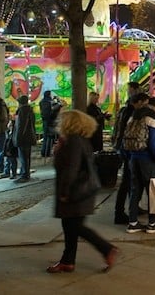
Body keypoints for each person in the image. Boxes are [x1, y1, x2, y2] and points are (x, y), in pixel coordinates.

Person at [47, 109, 117, 273]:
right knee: (70, 227)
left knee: (76, 227)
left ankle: (107, 249)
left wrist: (65, 192)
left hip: (75, 192)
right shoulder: (79, 140)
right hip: (80, 191)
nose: (59, 123)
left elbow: (71, 168)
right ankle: (68, 261)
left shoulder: (73, 141)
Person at [125, 95, 155, 234]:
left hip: (133, 158)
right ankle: (152, 223)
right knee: (152, 192)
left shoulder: (134, 116)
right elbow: (154, 144)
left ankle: (132, 223)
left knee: (135, 190)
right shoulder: (153, 118)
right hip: (148, 160)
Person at [110, 81, 140, 224]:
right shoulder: (130, 111)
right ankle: (120, 213)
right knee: (127, 182)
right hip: (127, 150)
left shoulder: (125, 110)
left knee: (129, 182)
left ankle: (132, 208)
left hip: (124, 148)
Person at [12, 95, 37, 183]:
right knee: (27, 157)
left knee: (23, 157)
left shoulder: (22, 111)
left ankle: (24, 175)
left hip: (23, 138)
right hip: (29, 136)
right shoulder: (30, 110)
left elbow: (20, 127)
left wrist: (17, 139)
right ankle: (26, 174)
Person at [39, 91, 55, 158]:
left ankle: (43, 151)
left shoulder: (41, 102)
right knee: (50, 137)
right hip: (50, 121)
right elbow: (53, 110)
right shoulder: (50, 102)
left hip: (44, 120)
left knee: (45, 137)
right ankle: (48, 151)